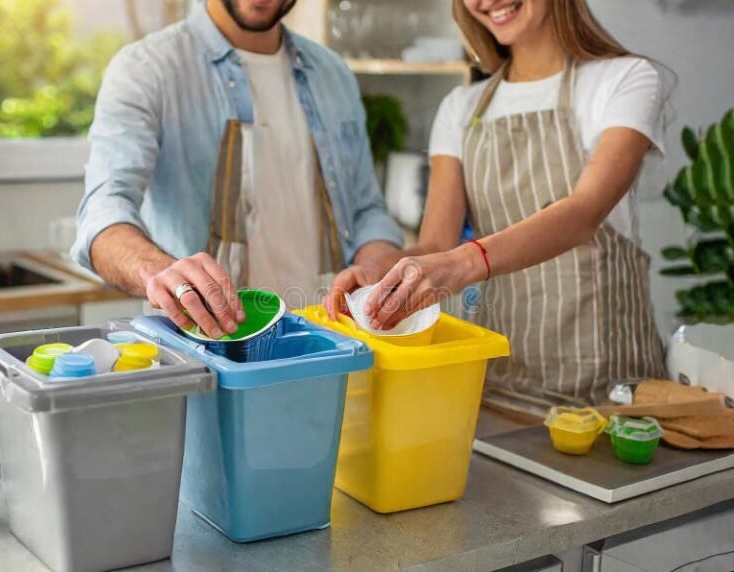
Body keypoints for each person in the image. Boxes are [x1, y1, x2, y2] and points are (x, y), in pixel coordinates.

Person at [325, 0, 668, 407]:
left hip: (611, 394)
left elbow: (582, 214)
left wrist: (463, 263)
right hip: (498, 390)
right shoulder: (461, 108)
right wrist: (378, 273)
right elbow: (437, 242)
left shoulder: (624, 80)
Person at [72, 0, 402, 339]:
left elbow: (366, 210)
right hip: (209, 353)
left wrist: (375, 268)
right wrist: (161, 271)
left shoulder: (333, 74)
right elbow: (103, 213)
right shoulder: (147, 68)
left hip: (323, 343)